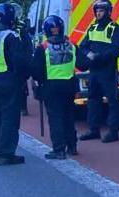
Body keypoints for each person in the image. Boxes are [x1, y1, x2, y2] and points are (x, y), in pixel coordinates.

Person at [0, 3, 31, 165]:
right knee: (9, 118)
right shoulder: (11, 36)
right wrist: (23, 77)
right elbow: (20, 62)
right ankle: (6, 154)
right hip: (8, 81)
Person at [32, 15, 82, 159]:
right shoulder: (71, 45)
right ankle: (72, 146)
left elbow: (36, 71)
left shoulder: (43, 48)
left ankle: (59, 149)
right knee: (68, 117)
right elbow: (82, 63)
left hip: (51, 87)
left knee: (56, 118)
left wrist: (39, 82)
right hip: (70, 85)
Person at [78, 0, 119, 144]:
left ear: (108, 11)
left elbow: (117, 48)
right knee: (93, 100)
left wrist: (101, 57)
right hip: (94, 71)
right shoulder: (92, 28)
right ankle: (93, 129)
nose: (98, 13)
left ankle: (113, 131)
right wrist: (90, 56)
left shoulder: (114, 28)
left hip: (107, 70)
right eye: (97, 10)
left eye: (101, 10)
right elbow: (83, 45)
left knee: (112, 101)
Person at [11, 2, 33, 116]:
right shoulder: (5, 26)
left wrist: (27, 62)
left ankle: (23, 107)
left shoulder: (21, 28)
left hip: (21, 61)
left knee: (22, 85)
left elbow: (28, 46)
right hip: (10, 61)